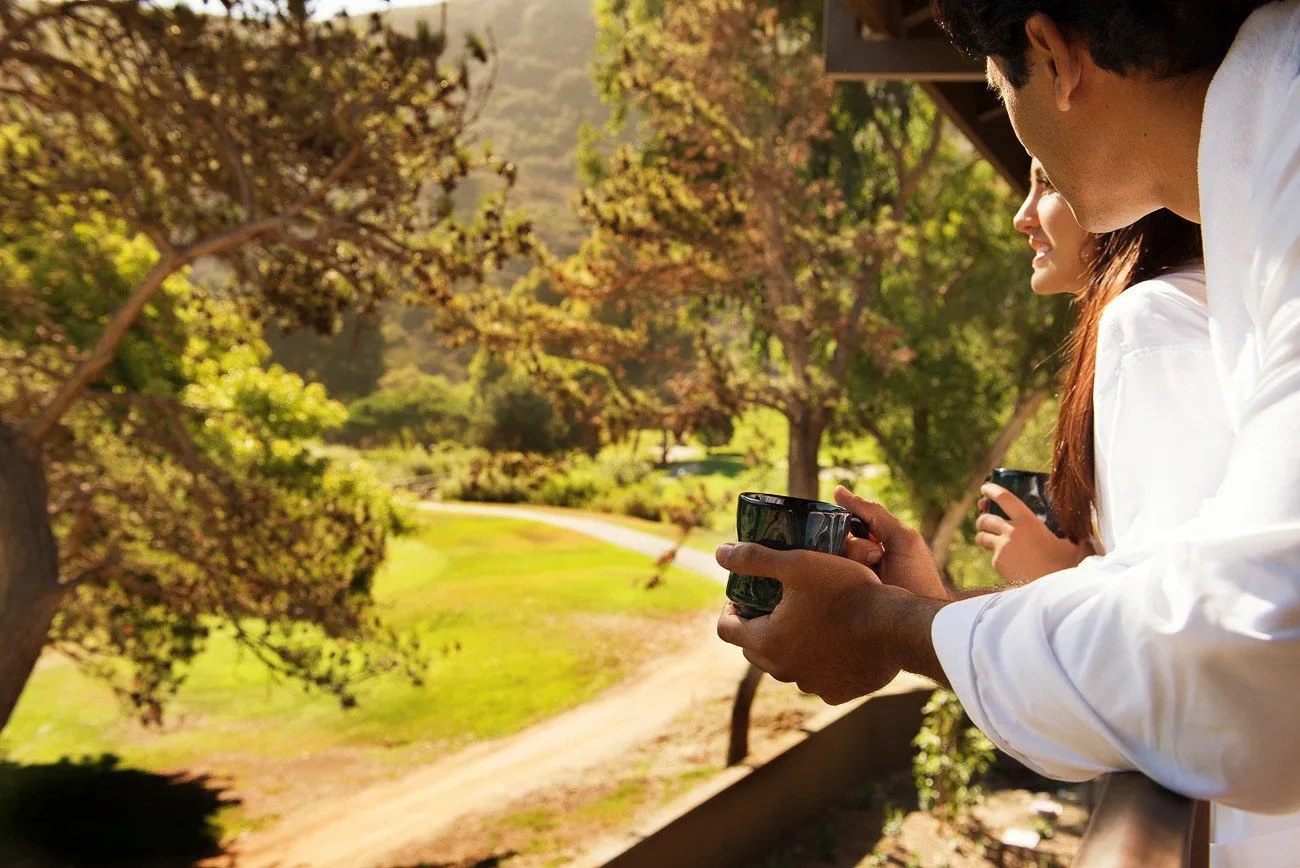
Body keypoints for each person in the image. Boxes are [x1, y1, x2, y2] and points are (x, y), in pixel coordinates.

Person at [713, 0, 1300, 855]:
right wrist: (933, 612)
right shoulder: (1264, 203)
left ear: (1052, 55)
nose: (1025, 199)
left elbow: (1239, 657)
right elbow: (1177, 610)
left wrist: (885, 628)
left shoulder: (1175, 308)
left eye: (999, 94)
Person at [976, 160, 1221, 584]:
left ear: (1122, 195)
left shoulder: (1153, 319)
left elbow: (1184, 587)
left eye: (1048, 183)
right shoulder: (1195, 298)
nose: (1022, 217)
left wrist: (1056, 575)